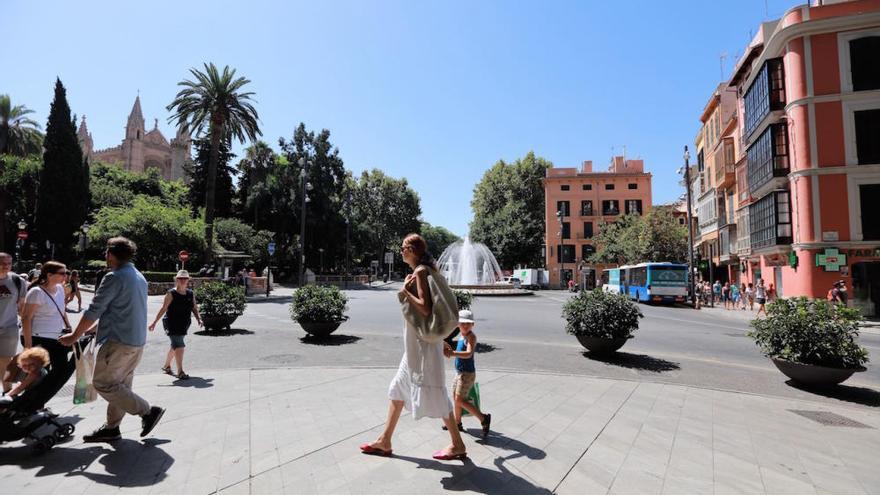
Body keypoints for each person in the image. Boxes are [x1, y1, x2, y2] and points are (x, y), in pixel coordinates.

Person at [360, 233, 467, 460]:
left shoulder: (420, 271)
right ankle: (385, 440)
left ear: (413, 250)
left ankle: (457, 444)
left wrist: (405, 292)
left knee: (437, 393)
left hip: (422, 347)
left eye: (403, 248)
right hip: (421, 344)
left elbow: (426, 309)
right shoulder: (428, 270)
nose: (401, 251)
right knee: (399, 387)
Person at [59, 237, 164, 442]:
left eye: (106, 253)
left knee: (103, 383)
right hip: (135, 341)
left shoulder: (114, 277)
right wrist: (95, 329)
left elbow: (94, 309)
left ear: (110, 254)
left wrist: (75, 335)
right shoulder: (139, 276)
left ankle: (148, 412)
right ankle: (112, 428)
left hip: (119, 342)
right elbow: (122, 310)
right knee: (120, 386)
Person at [20, 261, 75, 407]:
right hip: (37, 337)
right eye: (62, 273)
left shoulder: (60, 289)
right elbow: (26, 318)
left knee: (60, 370)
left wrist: (69, 327)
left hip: (55, 337)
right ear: (49, 275)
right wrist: (28, 345)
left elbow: (62, 310)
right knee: (40, 374)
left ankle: (37, 402)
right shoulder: (36, 292)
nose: (66, 276)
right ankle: (30, 404)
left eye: (66, 272)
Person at [442, 309, 491, 438]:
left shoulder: (471, 337)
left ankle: (483, 418)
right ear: (458, 324)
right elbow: (453, 347)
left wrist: (452, 354)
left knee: (459, 399)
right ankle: (457, 423)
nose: (465, 325)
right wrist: (445, 345)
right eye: (462, 323)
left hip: (467, 374)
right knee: (455, 398)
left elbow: (469, 353)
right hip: (459, 372)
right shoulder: (462, 336)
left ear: (473, 324)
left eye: (468, 323)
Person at [148, 270, 202, 380]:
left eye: (185, 278)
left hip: (184, 324)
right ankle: (180, 371)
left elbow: (194, 308)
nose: (182, 280)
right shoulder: (171, 293)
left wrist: (199, 319)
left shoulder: (190, 294)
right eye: (180, 278)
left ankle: (166, 366)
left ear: (188, 280)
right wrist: (154, 322)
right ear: (176, 280)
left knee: (175, 345)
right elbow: (163, 309)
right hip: (171, 323)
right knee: (180, 345)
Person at [0, 252, 27, 393]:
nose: (6, 266)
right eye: (2, 263)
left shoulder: (18, 281)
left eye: (9, 263)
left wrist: (26, 327)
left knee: (6, 361)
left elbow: (22, 307)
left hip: (9, 328)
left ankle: (6, 393)